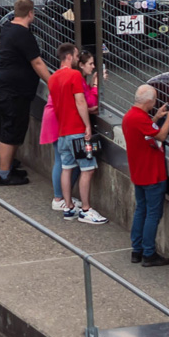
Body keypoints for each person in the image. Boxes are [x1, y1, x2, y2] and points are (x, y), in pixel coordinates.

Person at [45, 45, 105, 223]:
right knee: (88, 169)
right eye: (77, 55)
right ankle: (86, 209)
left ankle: (69, 206)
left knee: (66, 168)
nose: (78, 59)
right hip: (76, 130)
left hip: (62, 131)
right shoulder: (74, 75)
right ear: (70, 57)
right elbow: (80, 101)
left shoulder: (53, 78)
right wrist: (87, 125)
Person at [0, 0, 45, 186]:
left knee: (13, 129)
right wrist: (54, 82)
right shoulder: (23, 34)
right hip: (12, 90)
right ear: (30, 13)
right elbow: (37, 62)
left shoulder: (8, 27)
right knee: (10, 130)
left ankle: (8, 168)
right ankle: (4, 175)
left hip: (10, 88)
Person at [122, 85, 169, 267]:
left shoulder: (131, 116)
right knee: (153, 214)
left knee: (141, 210)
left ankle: (137, 249)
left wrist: (156, 117)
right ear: (149, 101)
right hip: (152, 174)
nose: (155, 103)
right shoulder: (140, 118)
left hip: (139, 173)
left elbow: (146, 130)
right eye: (154, 100)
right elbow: (160, 135)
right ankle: (148, 253)